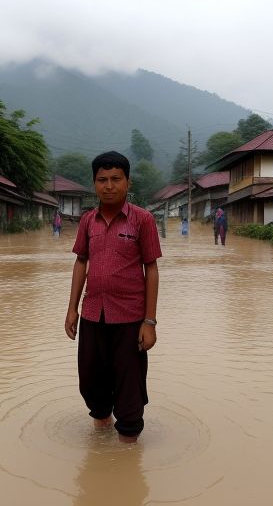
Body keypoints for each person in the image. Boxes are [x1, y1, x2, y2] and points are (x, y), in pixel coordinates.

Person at [65, 151, 162, 443]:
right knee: (91, 383)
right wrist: (72, 310)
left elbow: (152, 268)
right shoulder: (87, 222)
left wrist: (150, 321)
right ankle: (102, 447)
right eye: (102, 179)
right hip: (93, 314)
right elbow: (81, 261)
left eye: (116, 179)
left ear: (127, 182)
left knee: (129, 387)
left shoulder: (142, 220)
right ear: (94, 183)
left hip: (130, 318)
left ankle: (128, 458)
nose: (109, 186)